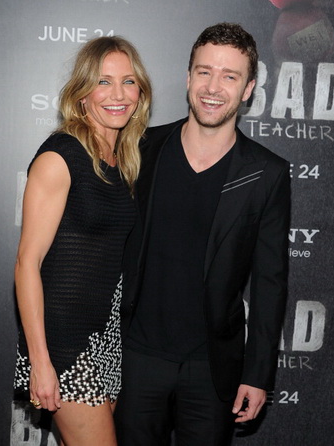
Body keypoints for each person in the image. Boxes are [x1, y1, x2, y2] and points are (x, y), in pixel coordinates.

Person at [114, 23, 290, 446]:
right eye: (205, 72)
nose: (213, 87)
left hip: (213, 368)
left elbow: (270, 282)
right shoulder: (140, 149)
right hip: (136, 359)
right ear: (188, 77)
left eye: (230, 76)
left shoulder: (267, 173)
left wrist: (257, 374)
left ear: (248, 89)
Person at [13, 36, 151, 446]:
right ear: (82, 94)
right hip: (64, 342)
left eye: (128, 81)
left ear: (140, 93)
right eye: (104, 82)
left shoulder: (123, 160)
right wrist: (41, 361)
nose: (118, 94)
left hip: (104, 336)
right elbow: (27, 263)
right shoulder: (60, 157)